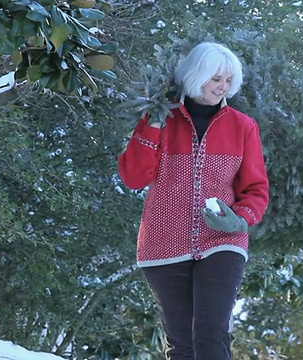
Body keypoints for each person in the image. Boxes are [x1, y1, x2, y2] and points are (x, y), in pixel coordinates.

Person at [117, 41, 269, 360]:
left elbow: (256, 189)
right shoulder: (161, 118)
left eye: (228, 81)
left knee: (211, 333)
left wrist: (240, 218)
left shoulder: (242, 126)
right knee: (182, 343)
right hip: (163, 243)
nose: (223, 87)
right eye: (216, 79)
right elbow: (134, 177)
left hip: (222, 241)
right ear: (196, 75)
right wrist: (154, 124)